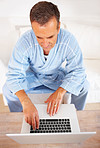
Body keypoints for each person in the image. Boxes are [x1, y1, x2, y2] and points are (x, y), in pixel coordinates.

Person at [3, 1, 89, 130]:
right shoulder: (24, 42)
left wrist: (60, 92)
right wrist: (26, 102)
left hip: (56, 77)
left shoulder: (69, 40)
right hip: (32, 77)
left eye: (50, 36)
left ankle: (75, 114)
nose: (45, 43)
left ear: (58, 27)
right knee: (7, 89)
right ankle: (19, 116)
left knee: (84, 85)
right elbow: (13, 75)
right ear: (32, 29)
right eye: (39, 37)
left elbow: (78, 70)